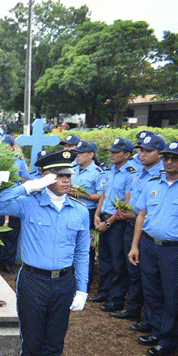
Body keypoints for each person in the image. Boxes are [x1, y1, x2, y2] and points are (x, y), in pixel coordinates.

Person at [0, 150, 90, 356]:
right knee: (32, 339)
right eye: (59, 175)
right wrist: (28, 186)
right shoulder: (29, 203)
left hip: (63, 282)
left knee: (54, 341)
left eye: (68, 174)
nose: (66, 179)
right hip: (33, 281)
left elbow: (82, 252)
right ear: (46, 176)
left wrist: (82, 288)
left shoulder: (79, 211)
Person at [127, 141, 178, 356]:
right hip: (149, 245)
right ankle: (156, 330)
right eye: (166, 158)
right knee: (152, 291)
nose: (168, 162)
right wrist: (135, 245)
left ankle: (168, 340)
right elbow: (141, 214)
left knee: (172, 296)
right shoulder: (153, 183)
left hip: (173, 250)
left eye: (174, 158)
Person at [111, 134, 164, 324]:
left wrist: (130, 216)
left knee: (149, 276)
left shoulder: (161, 176)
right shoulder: (140, 171)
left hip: (146, 229)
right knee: (132, 270)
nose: (142, 154)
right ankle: (133, 309)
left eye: (148, 151)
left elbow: (152, 211)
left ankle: (149, 318)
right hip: (131, 225)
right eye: (141, 150)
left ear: (160, 154)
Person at [90, 138, 136, 311]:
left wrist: (108, 223)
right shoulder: (110, 171)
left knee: (118, 262)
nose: (111, 154)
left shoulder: (130, 174)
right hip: (104, 217)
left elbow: (126, 206)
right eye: (111, 151)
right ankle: (104, 292)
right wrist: (97, 214)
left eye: (116, 152)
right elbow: (104, 195)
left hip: (117, 222)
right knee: (104, 258)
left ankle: (116, 299)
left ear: (127, 155)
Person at [0, 134, 28, 273]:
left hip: (14, 201)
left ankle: (8, 262)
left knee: (12, 233)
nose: (5, 148)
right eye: (2, 145)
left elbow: (24, 180)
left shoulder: (19, 161)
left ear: (12, 147)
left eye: (7, 145)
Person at [69, 140, 103, 295]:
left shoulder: (98, 172)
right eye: (77, 153)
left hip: (89, 214)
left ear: (91, 155)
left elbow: (101, 196)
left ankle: (84, 286)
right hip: (70, 211)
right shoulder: (72, 169)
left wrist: (80, 194)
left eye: (81, 153)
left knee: (87, 249)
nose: (78, 156)